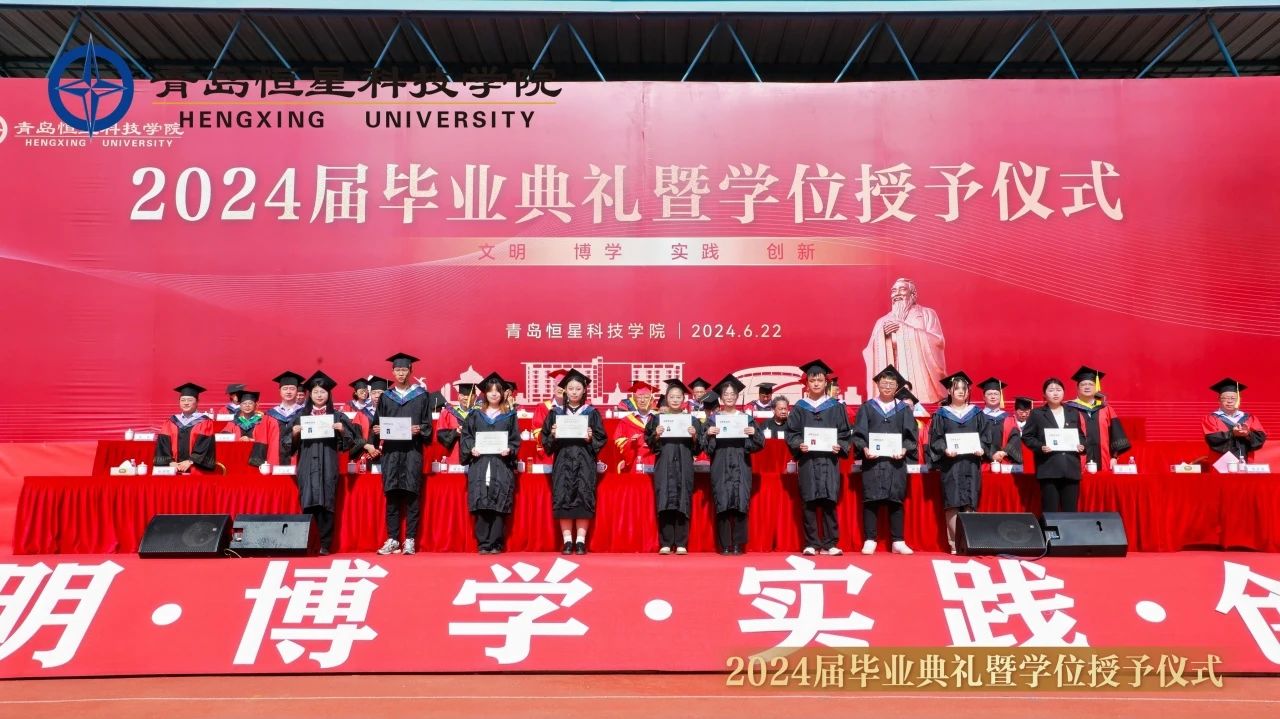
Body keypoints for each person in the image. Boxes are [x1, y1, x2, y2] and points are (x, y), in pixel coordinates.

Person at [284, 371, 360, 555]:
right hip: (307, 464)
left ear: (329, 394)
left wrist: (342, 431)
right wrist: (294, 433)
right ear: (310, 394)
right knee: (308, 501)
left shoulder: (337, 416)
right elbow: (286, 445)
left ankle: (325, 544)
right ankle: (308, 542)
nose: (319, 395)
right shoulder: (300, 416)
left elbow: (351, 442)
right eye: (316, 392)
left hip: (328, 464)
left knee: (327, 502)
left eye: (323, 392)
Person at [786, 359, 852, 556]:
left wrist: (840, 445)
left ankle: (830, 543)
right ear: (807, 383)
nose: (816, 384)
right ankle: (812, 543)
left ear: (826, 383)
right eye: (812, 380)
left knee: (829, 501)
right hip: (808, 461)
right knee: (809, 501)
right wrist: (799, 444)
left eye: (820, 380)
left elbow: (845, 433)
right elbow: (792, 433)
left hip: (829, 461)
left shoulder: (836, 407)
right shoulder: (800, 407)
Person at [373, 352, 434, 556]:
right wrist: (376, 431)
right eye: (397, 370)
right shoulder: (386, 397)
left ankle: (410, 539)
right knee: (392, 495)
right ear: (392, 372)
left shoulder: (421, 395)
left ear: (411, 370)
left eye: (404, 370)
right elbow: (376, 424)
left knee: (412, 495)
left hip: (412, 452)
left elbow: (428, 426)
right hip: (391, 453)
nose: (400, 373)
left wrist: (420, 429)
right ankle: (392, 539)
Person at [852, 365, 918, 555]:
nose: (887, 386)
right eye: (884, 383)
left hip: (895, 462)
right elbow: (859, 434)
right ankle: (870, 539)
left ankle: (898, 541)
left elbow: (911, 435)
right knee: (871, 500)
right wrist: (865, 449)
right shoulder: (867, 407)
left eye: (891, 384)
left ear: (897, 387)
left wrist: (904, 449)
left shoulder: (903, 409)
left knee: (895, 500)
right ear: (878, 385)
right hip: (873, 462)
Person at [541, 369, 607, 555]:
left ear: (584, 390)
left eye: (578, 388)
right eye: (571, 388)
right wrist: (553, 435)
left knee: (583, 497)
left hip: (584, 461)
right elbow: (545, 440)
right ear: (565, 390)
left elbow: (602, 438)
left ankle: (580, 541)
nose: (574, 392)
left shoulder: (591, 413)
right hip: (562, 461)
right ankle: (567, 541)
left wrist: (590, 438)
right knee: (563, 498)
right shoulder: (555, 413)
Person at [460, 373, 523, 554]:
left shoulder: (509, 416)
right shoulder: (475, 415)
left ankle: (496, 543)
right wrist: (471, 448)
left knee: (499, 501)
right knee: (481, 500)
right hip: (480, 463)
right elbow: (466, 436)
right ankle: (483, 543)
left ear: (503, 393)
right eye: (490, 391)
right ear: (485, 393)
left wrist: (509, 449)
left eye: (497, 391)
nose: (494, 394)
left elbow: (515, 440)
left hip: (500, 464)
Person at [704, 374, 765, 555]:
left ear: (737, 396)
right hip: (720, 465)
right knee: (722, 503)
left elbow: (759, 444)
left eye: (732, 394)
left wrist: (754, 432)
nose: (729, 397)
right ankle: (724, 545)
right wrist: (708, 434)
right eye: (726, 394)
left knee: (740, 503)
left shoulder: (746, 419)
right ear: (721, 397)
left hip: (741, 465)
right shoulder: (713, 419)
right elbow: (704, 446)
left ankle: (738, 544)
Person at [927, 372, 987, 554]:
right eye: (957, 388)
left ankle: (969, 541)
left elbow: (985, 437)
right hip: (951, 465)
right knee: (952, 503)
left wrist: (982, 448)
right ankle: (954, 543)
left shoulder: (977, 413)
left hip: (971, 464)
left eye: (964, 389)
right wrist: (944, 449)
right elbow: (935, 439)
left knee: (970, 502)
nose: (961, 391)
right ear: (949, 391)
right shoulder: (941, 414)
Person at [862, 277, 947, 404]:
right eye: (893, 291)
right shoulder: (882, 321)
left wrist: (905, 329)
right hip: (895, 372)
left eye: (902, 289)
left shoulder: (927, 314)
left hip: (920, 377)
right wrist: (882, 336)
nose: (896, 294)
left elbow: (938, 342)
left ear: (913, 294)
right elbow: (868, 352)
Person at [645, 379, 700, 555]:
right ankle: (666, 542)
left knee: (683, 498)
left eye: (678, 397)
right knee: (665, 499)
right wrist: (656, 435)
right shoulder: (657, 419)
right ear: (666, 398)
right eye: (672, 397)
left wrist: (694, 436)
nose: (675, 400)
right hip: (664, 463)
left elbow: (699, 447)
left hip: (684, 463)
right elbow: (649, 442)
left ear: (683, 399)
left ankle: (682, 542)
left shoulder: (691, 420)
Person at [1021, 378, 1087, 513]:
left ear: (1064, 393)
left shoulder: (1072, 412)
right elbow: (1027, 436)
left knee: (1070, 511)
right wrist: (1040, 446)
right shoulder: (1037, 414)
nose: (1055, 393)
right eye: (1051, 390)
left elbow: (1080, 435)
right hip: (1049, 468)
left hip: (1070, 468)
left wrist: (1081, 445)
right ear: (1044, 394)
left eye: (1058, 390)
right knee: (1050, 511)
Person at [1067, 366, 1131, 468]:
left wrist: (1114, 457)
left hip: (1104, 459)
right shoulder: (1068, 408)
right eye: (1083, 384)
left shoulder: (1106, 408)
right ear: (1077, 388)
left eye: (1091, 384)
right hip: (1076, 461)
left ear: (1096, 387)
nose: (1087, 387)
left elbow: (1115, 433)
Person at [154, 383, 217, 473]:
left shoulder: (205, 422)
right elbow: (163, 444)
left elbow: (205, 445)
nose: (186, 403)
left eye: (190, 400)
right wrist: (170, 462)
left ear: (197, 402)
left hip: (195, 468)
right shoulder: (170, 422)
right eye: (183, 400)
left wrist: (191, 461)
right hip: (173, 469)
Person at [1203, 378, 1267, 465]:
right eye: (1225, 398)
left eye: (1233, 398)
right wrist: (1232, 433)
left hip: (1246, 463)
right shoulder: (1211, 418)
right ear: (1219, 400)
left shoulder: (1250, 418)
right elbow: (1212, 439)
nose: (1229, 401)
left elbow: (1260, 438)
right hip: (1220, 465)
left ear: (1239, 400)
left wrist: (1248, 434)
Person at [218, 389, 276, 467]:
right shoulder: (234, 422)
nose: (247, 406)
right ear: (240, 406)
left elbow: (270, 440)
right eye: (244, 403)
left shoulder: (263, 421)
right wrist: (238, 439)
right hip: (237, 458)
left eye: (250, 403)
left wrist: (251, 440)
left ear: (256, 405)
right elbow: (223, 437)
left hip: (257, 459)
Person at [613, 381, 659, 473]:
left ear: (651, 400)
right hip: (635, 461)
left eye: (646, 397)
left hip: (657, 461)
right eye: (639, 397)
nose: (642, 400)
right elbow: (618, 441)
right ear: (634, 399)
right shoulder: (626, 421)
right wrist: (630, 442)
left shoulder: (660, 419)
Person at [265, 371, 306, 466]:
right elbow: (263, 440)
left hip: (300, 461)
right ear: (279, 391)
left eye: (292, 388)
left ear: (297, 391)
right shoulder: (269, 415)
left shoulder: (305, 413)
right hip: (274, 461)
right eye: (285, 389)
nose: (288, 392)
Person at [530, 369, 568, 468]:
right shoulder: (543, 408)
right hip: (548, 454)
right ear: (553, 387)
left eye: (564, 385)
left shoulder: (574, 409)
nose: (561, 388)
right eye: (558, 384)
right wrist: (552, 434)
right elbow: (537, 433)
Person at [434, 382, 477, 468]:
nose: (466, 398)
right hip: (454, 457)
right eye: (462, 395)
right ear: (458, 396)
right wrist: (455, 432)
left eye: (469, 395)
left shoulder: (481, 413)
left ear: (475, 397)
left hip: (476, 457)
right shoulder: (448, 412)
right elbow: (440, 435)